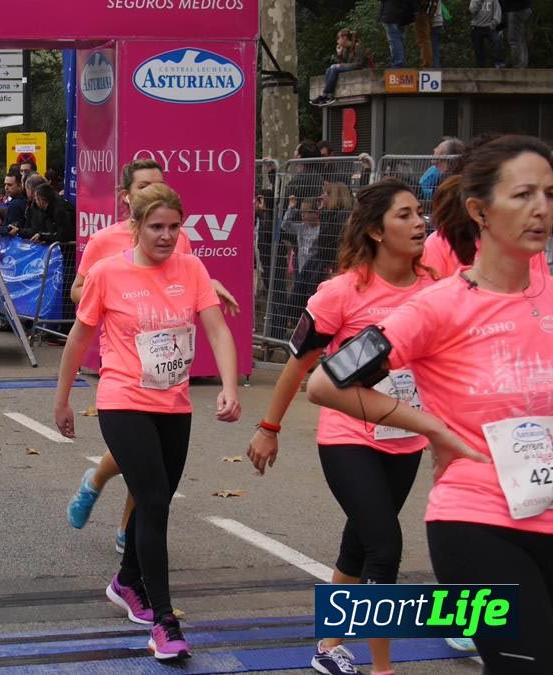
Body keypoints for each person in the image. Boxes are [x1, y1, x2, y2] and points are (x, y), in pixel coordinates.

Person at [305, 134, 553, 675]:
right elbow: (324, 382)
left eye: (550, 194)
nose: (541, 209)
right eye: (523, 195)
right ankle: (366, 658)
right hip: (479, 519)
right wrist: (432, 427)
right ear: (479, 211)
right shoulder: (437, 306)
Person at [247, 179, 435, 675]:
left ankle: (328, 646)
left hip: (404, 438)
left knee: (360, 542)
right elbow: (298, 364)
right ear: (375, 230)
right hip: (347, 437)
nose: (419, 222)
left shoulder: (435, 290)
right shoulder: (341, 292)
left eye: (420, 212)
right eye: (404, 215)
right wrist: (269, 427)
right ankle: (382, 669)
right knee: (385, 546)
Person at [53, 183, 241, 662]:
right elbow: (78, 340)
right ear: (134, 226)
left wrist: (229, 386)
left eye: (174, 227)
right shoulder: (107, 273)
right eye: (156, 227)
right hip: (122, 399)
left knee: (156, 505)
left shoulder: (192, 267)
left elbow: (217, 328)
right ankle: (164, 622)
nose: (166, 236)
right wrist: (62, 401)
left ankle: (125, 582)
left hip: (173, 404)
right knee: (154, 500)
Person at [66, 159, 241, 554]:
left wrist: (208, 284)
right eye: (144, 186)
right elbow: (79, 291)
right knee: (142, 463)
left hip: (169, 369)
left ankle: (128, 527)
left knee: (152, 469)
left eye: (158, 185)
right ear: (126, 198)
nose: (152, 193)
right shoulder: (104, 243)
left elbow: (182, 275)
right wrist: (108, 291)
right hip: (125, 365)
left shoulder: (177, 239)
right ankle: (100, 489)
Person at [312, 29, 372, 106]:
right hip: (351, 68)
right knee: (329, 70)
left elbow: (358, 64)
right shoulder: (345, 49)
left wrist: (340, 65)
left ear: (344, 38)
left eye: (338, 38)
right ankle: (329, 96)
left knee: (334, 69)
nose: (337, 41)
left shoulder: (358, 46)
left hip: (361, 69)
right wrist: (339, 54)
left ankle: (324, 95)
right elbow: (342, 64)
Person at [379, 0, 418, 68]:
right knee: (399, 39)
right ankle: (399, 60)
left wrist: (380, 16)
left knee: (394, 40)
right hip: (403, 17)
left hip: (390, 15)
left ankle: (398, 62)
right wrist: (414, 12)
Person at [469, 0, 506, 68]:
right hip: (477, 26)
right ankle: (481, 66)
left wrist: (494, 23)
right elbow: (472, 10)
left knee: (497, 41)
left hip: (490, 27)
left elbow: (497, 11)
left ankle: (499, 63)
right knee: (478, 48)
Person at [502, 0, 532, 68]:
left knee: (513, 41)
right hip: (525, 8)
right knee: (520, 39)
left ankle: (518, 66)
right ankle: (523, 64)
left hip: (516, 9)